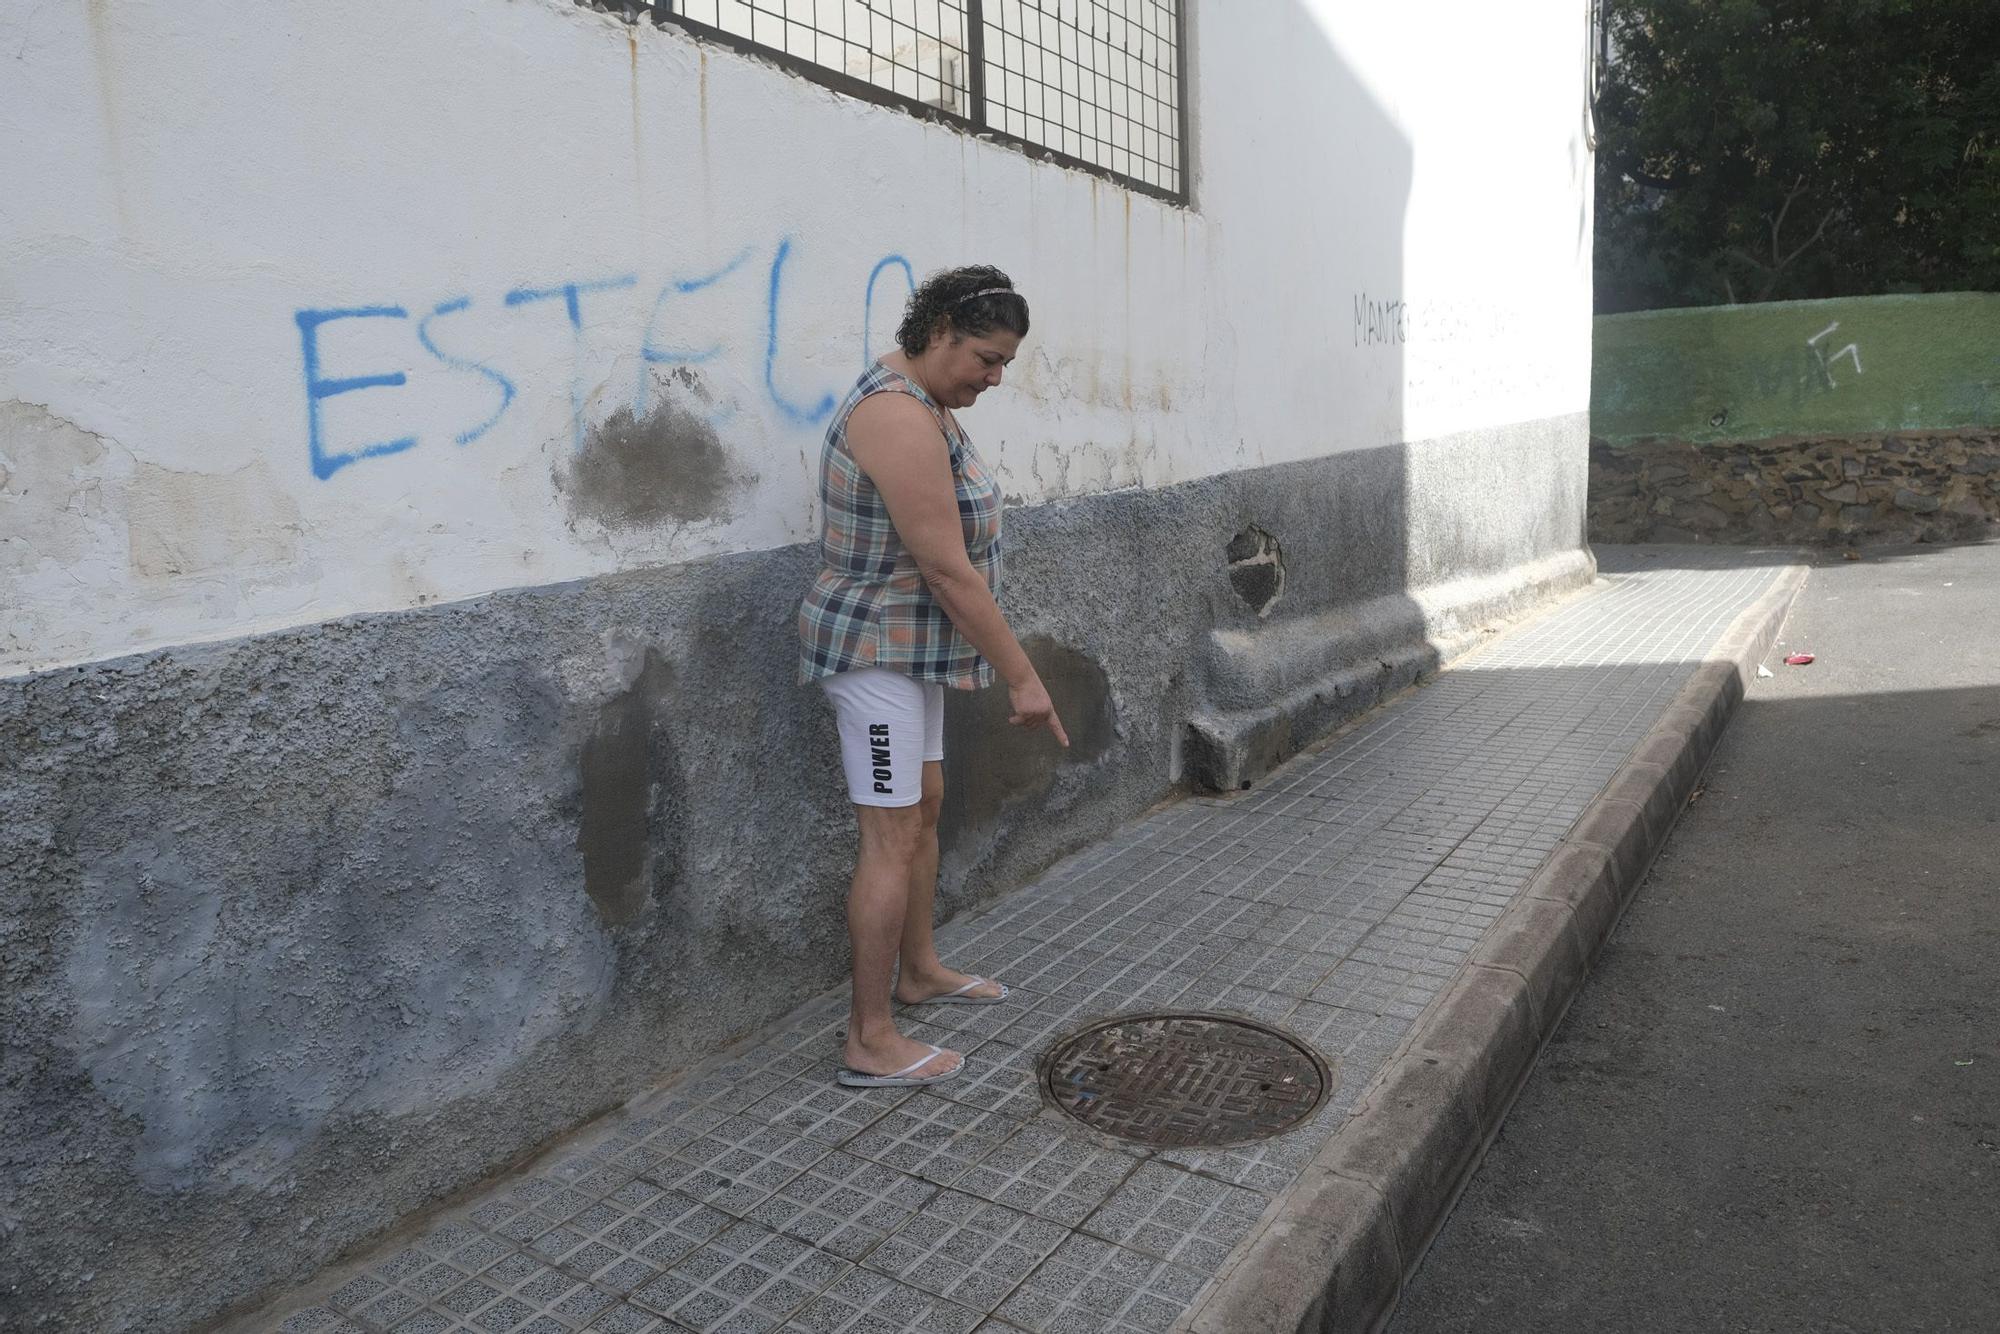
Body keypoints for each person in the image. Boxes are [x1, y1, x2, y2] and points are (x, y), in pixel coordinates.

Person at [799, 264, 1070, 1088]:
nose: (993, 379)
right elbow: (948, 571)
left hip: (915, 652)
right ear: (940, 330)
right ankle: (868, 1038)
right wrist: (1022, 677)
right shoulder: (894, 415)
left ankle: (917, 971)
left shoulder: (927, 404)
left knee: (926, 805)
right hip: (876, 650)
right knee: (888, 834)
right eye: (985, 359)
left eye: (1004, 366)